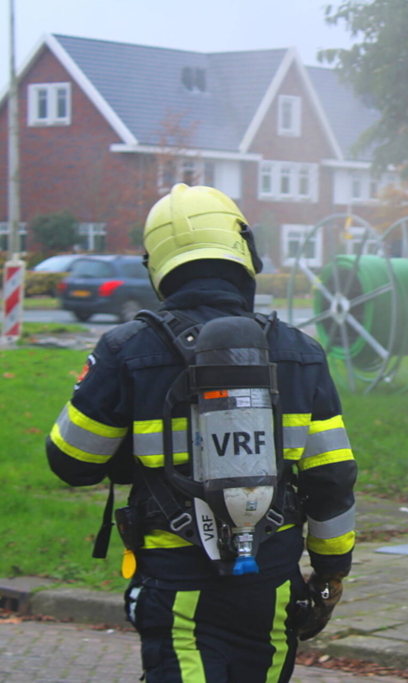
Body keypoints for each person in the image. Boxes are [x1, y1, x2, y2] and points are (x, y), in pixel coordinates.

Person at [46, 184, 357, 683]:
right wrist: (330, 575)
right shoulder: (301, 353)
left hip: (177, 584)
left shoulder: (127, 349)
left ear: (158, 266)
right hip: (272, 586)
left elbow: (70, 461)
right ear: (245, 254)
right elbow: (333, 480)